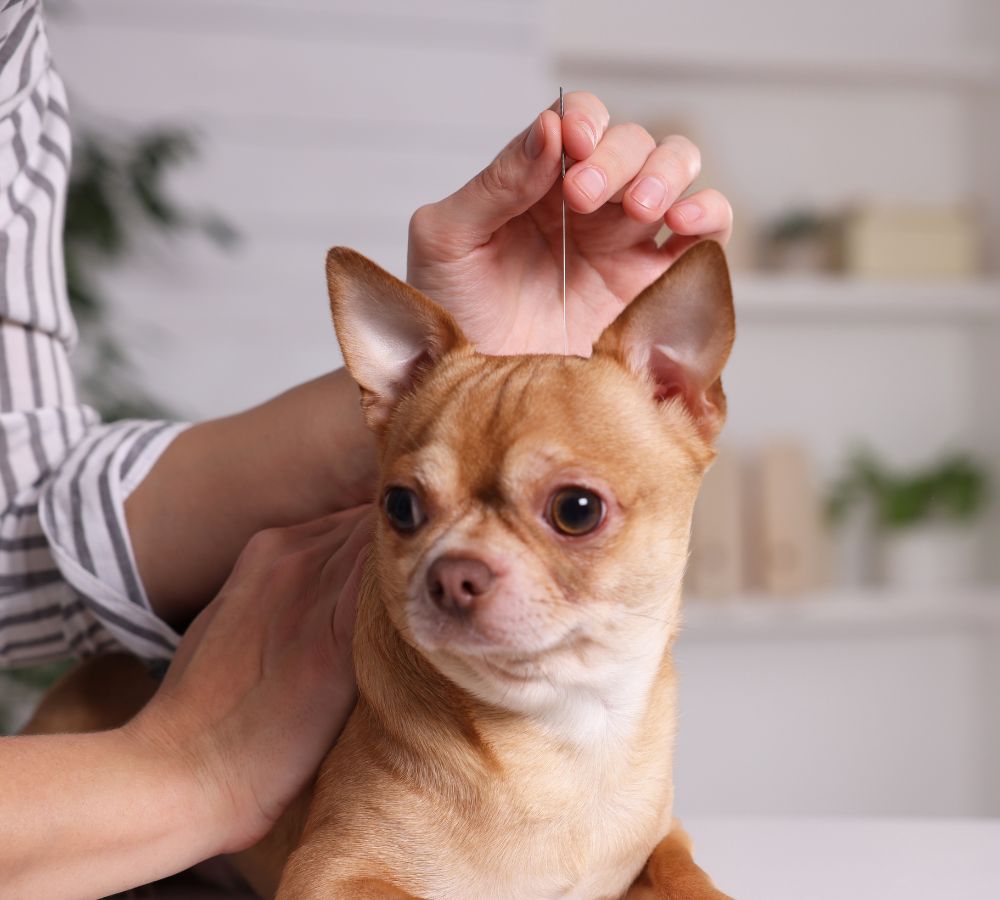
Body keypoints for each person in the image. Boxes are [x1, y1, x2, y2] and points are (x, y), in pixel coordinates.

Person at [0, 1, 733, 894]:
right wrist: (180, 767)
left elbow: (24, 494)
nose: (457, 567)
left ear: (685, 397)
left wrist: (463, 375)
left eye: (573, 511)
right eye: (409, 508)